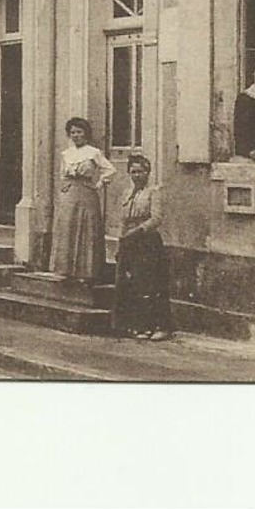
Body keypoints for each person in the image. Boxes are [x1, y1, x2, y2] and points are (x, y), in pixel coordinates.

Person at [113, 154, 172, 341]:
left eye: (141, 172)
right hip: (129, 243)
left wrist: (137, 230)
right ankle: (137, 325)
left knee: (151, 284)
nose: (137, 175)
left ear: (148, 173)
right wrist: (120, 241)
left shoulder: (154, 192)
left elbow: (156, 219)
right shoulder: (126, 193)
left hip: (147, 243)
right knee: (131, 285)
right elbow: (123, 220)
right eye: (133, 172)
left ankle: (160, 326)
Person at [49, 117, 115, 283]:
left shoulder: (93, 152)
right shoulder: (66, 154)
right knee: (68, 227)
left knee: (87, 228)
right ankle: (66, 269)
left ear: (86, 133)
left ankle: (87, 272)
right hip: (70, 195)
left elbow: (110, 170)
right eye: (72, 132)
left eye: (79, 132)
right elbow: (62, 175)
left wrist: (99, 183)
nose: (76, 135)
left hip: (87, 194)